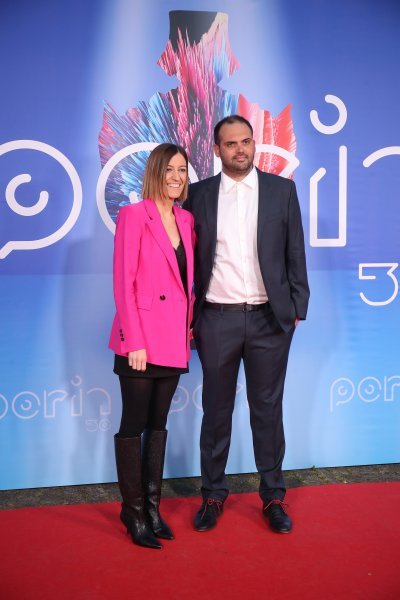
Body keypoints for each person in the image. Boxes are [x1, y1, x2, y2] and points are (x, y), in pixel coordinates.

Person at [184, 115, 309, 534]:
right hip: (216, 319)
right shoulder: (198, 195)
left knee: (267, 411)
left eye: (246, 141)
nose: (240, 149)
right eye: (231, 143)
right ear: (216, 149)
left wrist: (297, 308)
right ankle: (212, 495)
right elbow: (187, 260)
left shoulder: (281, 191)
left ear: (254, 144)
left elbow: (295, 252)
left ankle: (273, 496)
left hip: (269, 320)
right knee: (216, 412)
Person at [109, 143, 195, 549]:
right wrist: (135, 341)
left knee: (158, 424)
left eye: (183, 170)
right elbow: (123, 282)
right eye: (170, 169)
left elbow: (186, 284)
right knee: (134, 423)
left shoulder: (186, 219)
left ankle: (152, 507)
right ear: (155, 173)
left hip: (174, 337)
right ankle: (133, 510)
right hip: (140, 341)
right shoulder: (133, 215)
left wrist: (189, 329)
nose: (177, 177)